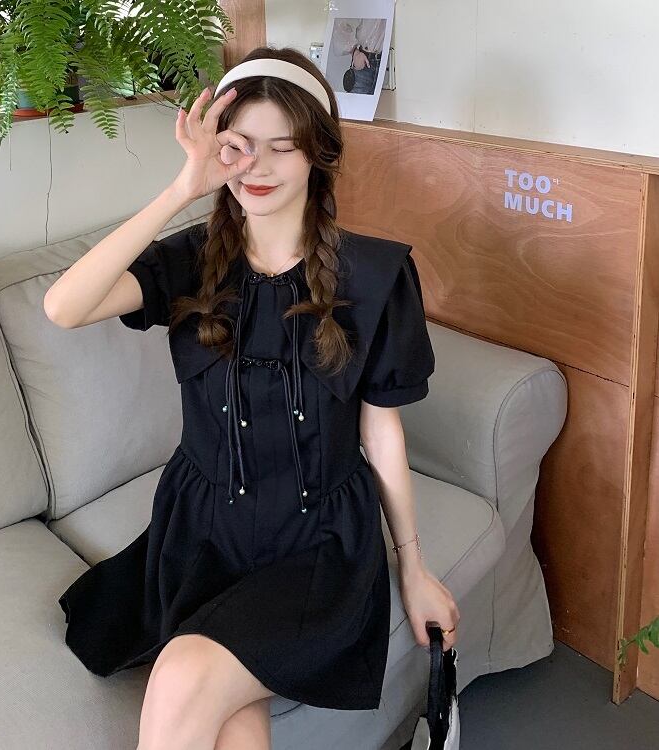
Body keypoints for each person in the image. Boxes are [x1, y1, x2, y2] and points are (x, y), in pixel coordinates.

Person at [45, 45, 460, 750]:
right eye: (238, 146)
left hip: (318, 542)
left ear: (318, 153)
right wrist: (183, 188)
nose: (257, 167)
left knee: (183, 673)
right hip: (201, 532)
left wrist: (412, 566)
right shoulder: (189, 261)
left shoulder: (374, 276)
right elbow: (63, 307)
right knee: (233, 717)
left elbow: (380, 427)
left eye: (282, 146)